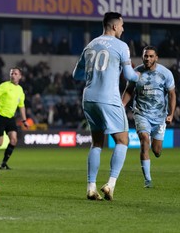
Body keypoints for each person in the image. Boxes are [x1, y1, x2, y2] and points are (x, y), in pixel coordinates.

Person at [72, 12, 139, 201]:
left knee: (97, 142)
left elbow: (76, 75)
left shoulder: (90, 45)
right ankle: (110, 184)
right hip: (108, 97)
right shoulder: (121, 46)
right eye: (122, 25)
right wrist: (138, 76)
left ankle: (91, 187)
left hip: (89, 98)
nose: (123, 29)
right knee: (122, 140)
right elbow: (129, 75)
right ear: (115, 26)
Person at [122, 46, 176, 188]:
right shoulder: (136, 73)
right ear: (142, 56)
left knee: (157, 151)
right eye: (146, 56)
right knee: (144, 139)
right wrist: (121, 106)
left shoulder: (165, 74)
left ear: (156, 58)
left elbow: (172, 94)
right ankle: (148, 180)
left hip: (159, 117)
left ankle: (155, 148)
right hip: (141, 113)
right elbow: (129, 90)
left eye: (151, 56)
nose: (148, 59)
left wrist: (171, 114)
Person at [0, 67, 28, 170]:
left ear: (20, 76)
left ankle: (3, 163)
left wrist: (24, 120)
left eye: (15, 74)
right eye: (11, 73)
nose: (13, 75)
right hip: (0, 116)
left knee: (13, 140)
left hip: (10, 118)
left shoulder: (20, 90)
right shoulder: (5, 86)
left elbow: (21, 106)